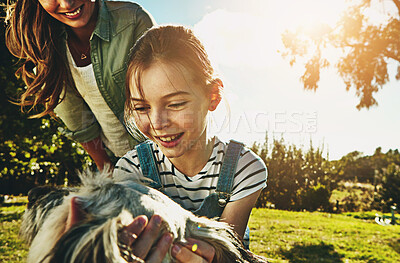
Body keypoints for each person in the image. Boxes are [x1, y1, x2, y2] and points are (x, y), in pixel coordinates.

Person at [113, 25, 268, 256]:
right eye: (142, 107)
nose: (157, 123)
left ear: (213, 96)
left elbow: (228, 255)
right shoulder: (131, 170)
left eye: (175, 104)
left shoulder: (244, 169)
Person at [5, 0, 154, 170]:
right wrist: (108, 170)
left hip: (162, 155)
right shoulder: (43, 44)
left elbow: (161, 101)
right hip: (116, 162)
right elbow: (76, 121)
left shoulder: (133, 20)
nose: (67, 4)